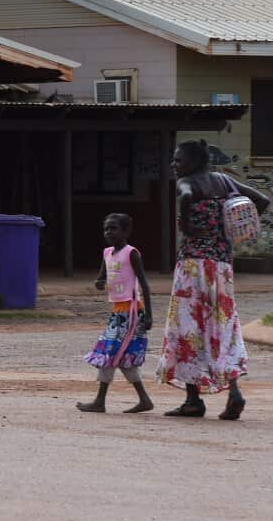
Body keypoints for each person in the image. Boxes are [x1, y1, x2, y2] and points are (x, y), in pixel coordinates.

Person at [159, 140, 270, 420]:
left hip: (192, 266)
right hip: (221, 266)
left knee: (188, 330)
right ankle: (233, 391)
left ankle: (193, 400)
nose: (175, 165)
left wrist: (185, 221)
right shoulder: (224, 181)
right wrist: (233, 227)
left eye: (179, 160)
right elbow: (262, 200)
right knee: (222, 326)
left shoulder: (188, 183)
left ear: (195, 162)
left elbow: (184, 194)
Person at [77, 214, 154, 414]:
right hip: (117, 311)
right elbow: (101, 279)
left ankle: (100, 401)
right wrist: (99, 283)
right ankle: (143, 399)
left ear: (126, 231)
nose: (108, 233)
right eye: (106, 229)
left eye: (113, 228)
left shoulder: (131, 253)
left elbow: (144, 284)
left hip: (131, 311)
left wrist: (149, 315)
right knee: (118, 355)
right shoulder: (107, 253)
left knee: (110, 352)